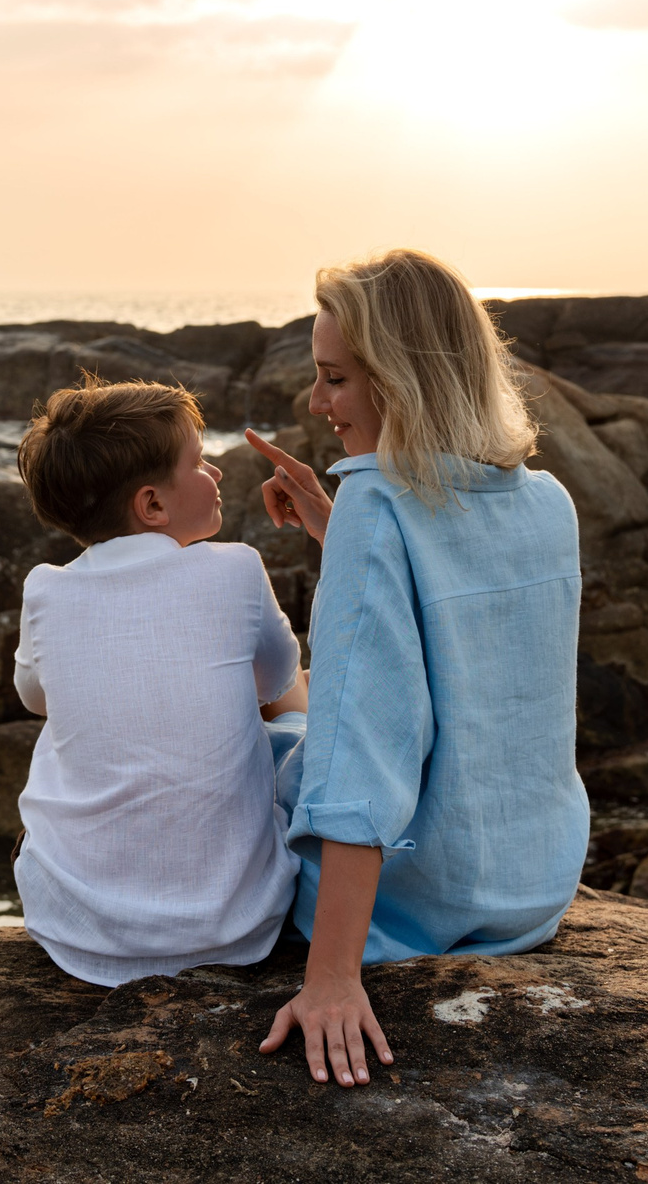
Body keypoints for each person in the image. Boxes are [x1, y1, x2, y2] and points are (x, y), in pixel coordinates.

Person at [250, 249, 585, 1088]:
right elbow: (477, 653)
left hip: (420, 909)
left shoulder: (379, 505)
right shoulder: (547, 500)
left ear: (397, 381)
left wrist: (331, 979)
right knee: (293, 719)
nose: (317, 403)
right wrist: (343, 537)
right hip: (531, 890)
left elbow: (363, 748)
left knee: (252, 748)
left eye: (334, 380)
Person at [9, 376, 311, 987]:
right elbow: (278, 684)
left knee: (60, 745)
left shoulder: (45, 588)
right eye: (200, 463)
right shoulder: (236, 568)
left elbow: (34, 698)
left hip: (79, 931)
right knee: (297, 714)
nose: (218, 474)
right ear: (152, 506)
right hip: (239, 925)